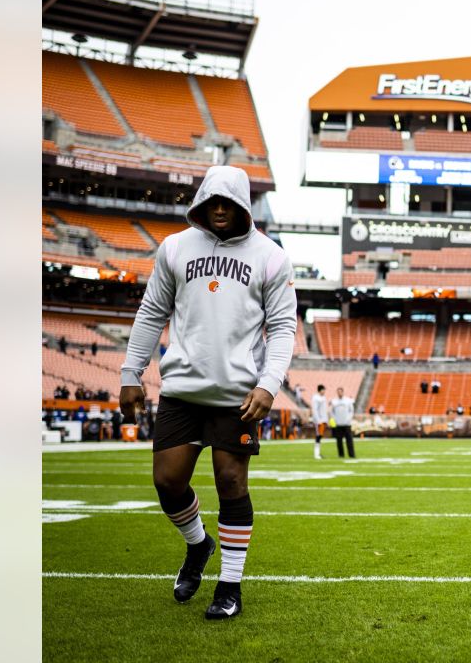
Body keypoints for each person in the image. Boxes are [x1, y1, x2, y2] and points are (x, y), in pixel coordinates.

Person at [119, 166, 297, 621]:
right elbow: (151, 311)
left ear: (243, 206)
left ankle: (230, 587)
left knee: (231, 483)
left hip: (237, 393)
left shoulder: (271, 257)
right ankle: (198, 545)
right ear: (200, 202)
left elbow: (281, 329)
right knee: (167, 481)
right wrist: (130, 371)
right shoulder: (175, 247)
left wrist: (268, 383)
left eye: (229, 202)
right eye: (212, 201)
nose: (220, 209)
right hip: (181, 389)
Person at [329, 386, 356, 459]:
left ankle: (351, 454)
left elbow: (351, 411)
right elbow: (332, 412)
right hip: (338, 424)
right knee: (339, 441)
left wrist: (349, 419)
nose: (339, 393)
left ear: (343, 392)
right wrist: (335, 419)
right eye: (338, 392)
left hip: (347, 424)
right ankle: (341, 454)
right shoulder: (334, 401)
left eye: (340, 391)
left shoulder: (348, 400)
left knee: (349, 440)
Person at [310, 384, 329, 460]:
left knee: (320, 436)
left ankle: (318, 453)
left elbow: (324, 410)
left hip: (323, 419)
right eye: (323, 390)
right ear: (320, 390)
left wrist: (326, 420)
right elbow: (315, 410)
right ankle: (316, 454)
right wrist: (318, 420)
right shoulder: (315, 398)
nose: (324, 391)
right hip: (319, 421)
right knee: (318, 436)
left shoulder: (323, 398)